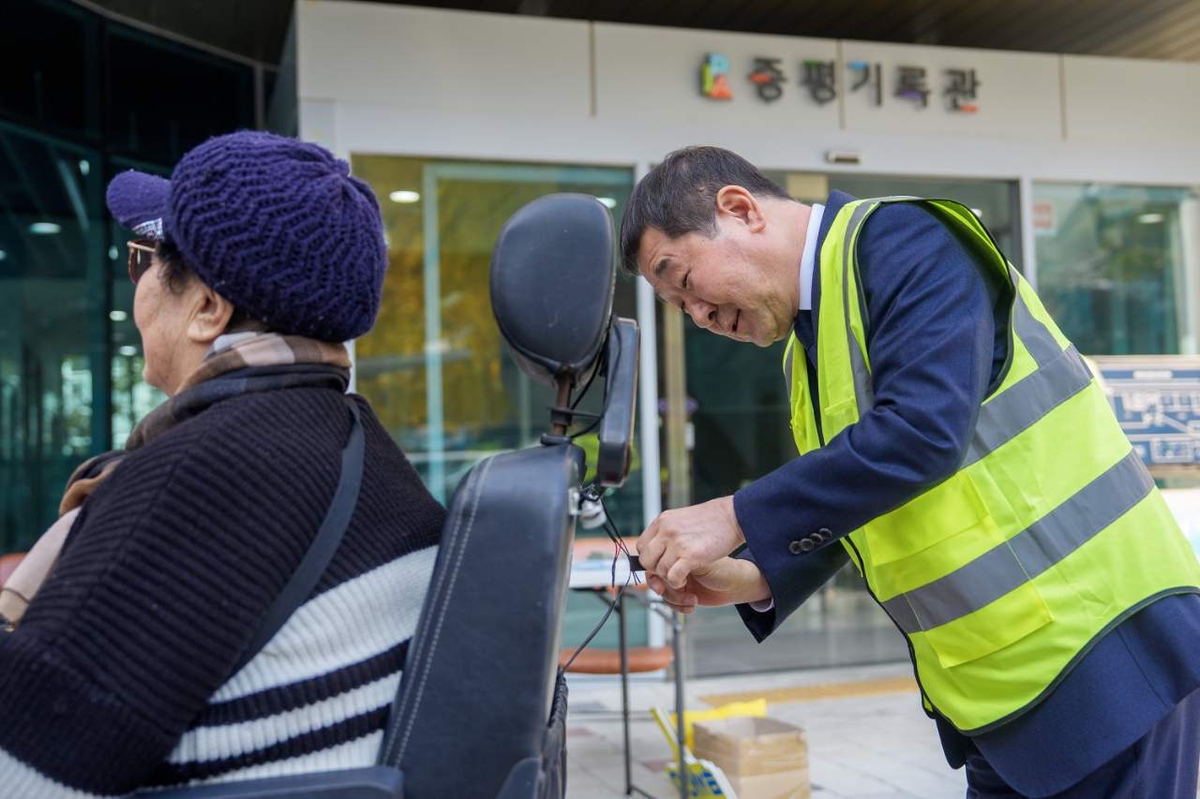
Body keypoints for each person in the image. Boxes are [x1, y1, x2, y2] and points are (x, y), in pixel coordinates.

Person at [624, 146, 1200, 798]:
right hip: (1004, 694)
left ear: (739, 209)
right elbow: (869, 499)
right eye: (677, 305)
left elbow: (922, 434)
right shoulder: (805, 350)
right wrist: (755, 575)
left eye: (684, 279)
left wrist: (732, 515)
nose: (698, 315)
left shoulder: (903, 240)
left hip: (1103, 655)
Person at [0, 131, 445, 795]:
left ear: (207, 308)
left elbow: (21, 773)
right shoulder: (358, 441)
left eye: (143, 262)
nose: (136, 289)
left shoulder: (196, 479)